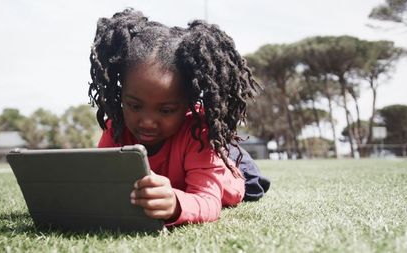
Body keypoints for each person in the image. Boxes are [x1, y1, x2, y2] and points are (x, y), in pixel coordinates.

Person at [88, 9, 270, 226]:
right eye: (135, 106)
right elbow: (100, 184)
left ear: (188, 103)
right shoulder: (116, 128)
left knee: (248, 183)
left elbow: (208, 201)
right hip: (190, 164)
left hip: (230, 171)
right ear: (121, 95)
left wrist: (175, 204)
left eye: (165, 110)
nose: (147, 121)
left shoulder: (200, 134)